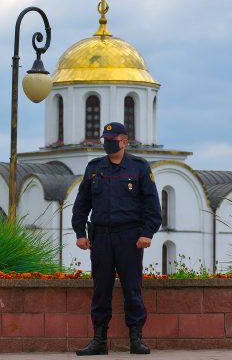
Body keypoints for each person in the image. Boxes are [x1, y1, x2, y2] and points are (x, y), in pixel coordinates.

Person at [72, 122, 162, 356]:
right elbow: (82, 203)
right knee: (101, 289)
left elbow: (152, 206)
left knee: (132, 288)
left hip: (129, 237)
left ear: (124, 141)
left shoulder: (139, 168)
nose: (107, 143)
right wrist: (80, 233)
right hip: (100, 237)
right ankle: (99, 339)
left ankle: (136, 338)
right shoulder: (94, 168)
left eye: (112, 140)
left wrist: (147, 233)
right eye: (105, 140)